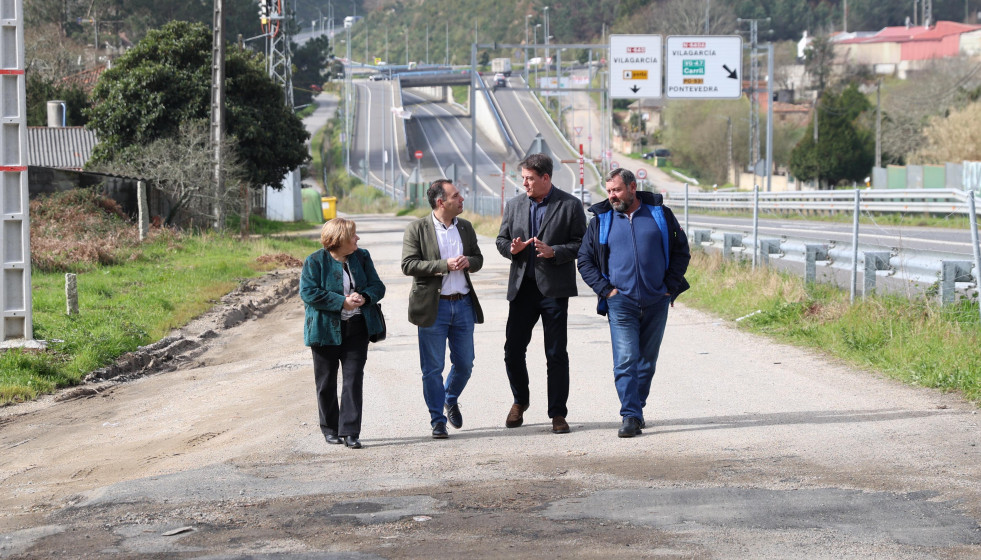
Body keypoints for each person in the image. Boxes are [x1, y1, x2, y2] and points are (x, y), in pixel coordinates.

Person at [577, 168, 691, 438]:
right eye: (608, 191)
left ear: (632, 187)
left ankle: (636, 408)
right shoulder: (601, 220)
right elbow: (585, 260)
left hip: (656, 300)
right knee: (626, 359)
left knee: (646, 362)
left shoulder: (660, 215)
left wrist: (669, 288)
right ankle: (630, 415)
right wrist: (606, 290)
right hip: (620, 302)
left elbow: (681, 251)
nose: (612, 196)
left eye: (616, 190)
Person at [495, 153, 586, 434]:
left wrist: (555, 251)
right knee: (513, 350)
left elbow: (582, 244)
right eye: (523, 178)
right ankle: (520, 401)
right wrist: (511, 249)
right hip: (522, 289)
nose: (525, 183)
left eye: (530, 178)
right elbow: (501, 239)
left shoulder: (570, 205)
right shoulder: (513, 205)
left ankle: (558, 413)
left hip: (554, 291)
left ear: (546, 178)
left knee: (556, 353)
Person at [401, 179, 484, 439]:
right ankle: (438, 420)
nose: (461, 200)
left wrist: (467, 261)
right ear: (441, 202)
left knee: (465, 364)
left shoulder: (466, 228)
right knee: (432, 368)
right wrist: (444, 265)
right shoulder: (416, 228)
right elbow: (408, 265)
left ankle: (450, 397)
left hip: (463, 305)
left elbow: (478, 259)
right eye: (456, 196)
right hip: (432, 308)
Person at [300, 218, 386, 449]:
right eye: (353, 235)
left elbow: (378, 287)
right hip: (324, 331)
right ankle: (329, 428)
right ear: (339, 240)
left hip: (357, 328)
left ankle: (350, 432)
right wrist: (341, 302)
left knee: (353, 379)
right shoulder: (314, 261)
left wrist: (364, 297)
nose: (357, 239)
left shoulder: (362, 257)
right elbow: (308, 293)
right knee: (326, 382)